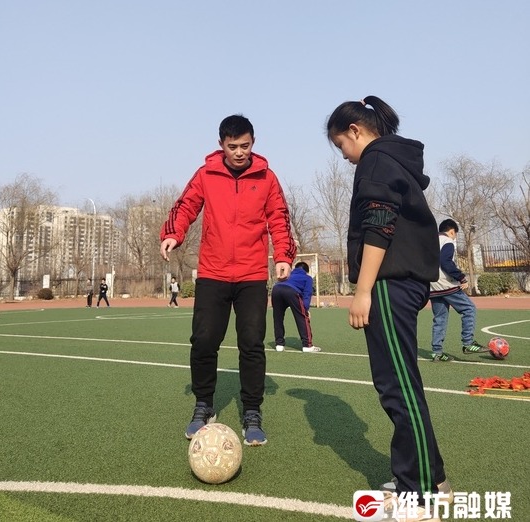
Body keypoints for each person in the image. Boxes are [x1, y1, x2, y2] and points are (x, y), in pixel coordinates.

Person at [326, 96, 451, 521]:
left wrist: (363, 290)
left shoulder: (376, 161)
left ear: (357, 131)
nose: (344, 155)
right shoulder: (396, 159)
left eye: (341, 144)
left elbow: (379, 224)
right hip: (404, 283)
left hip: (389, 284)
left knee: (396, 389)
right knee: (403, 385)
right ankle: (433, 480)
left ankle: (418, 495)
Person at [160, 114, 296, 446]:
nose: (239, 152)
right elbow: (187, 204)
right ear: (221, 144)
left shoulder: (266, 177)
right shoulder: (206, 174)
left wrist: (282, 256)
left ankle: (252, 412)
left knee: (252, 345)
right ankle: (203, 405)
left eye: (245, 146)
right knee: (204, 341)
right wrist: (174, 233)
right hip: (213, 273)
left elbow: (278, 216)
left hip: (250, 275)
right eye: (233, 146)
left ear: (253, 142)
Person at [429, 219, 488, 361]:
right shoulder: (447, 241)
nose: (454, 237)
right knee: (469, 309)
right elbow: (446, 262)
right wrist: (461, 277)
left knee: (440, 319)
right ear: (451, 231)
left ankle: (437, 352)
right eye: (455, 234)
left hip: (432, 286)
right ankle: (468, 342)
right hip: (447, 284)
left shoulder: (430, 242)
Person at [271, 261, 320, 353]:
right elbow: (307, 294)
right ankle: (307, 345)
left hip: (276, 289)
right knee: (301, 318)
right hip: (291, 291)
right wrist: (305, 310)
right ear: (306, 271)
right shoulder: (307, 278)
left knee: (278, 318)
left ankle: (279, 344)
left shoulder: (288, 274)